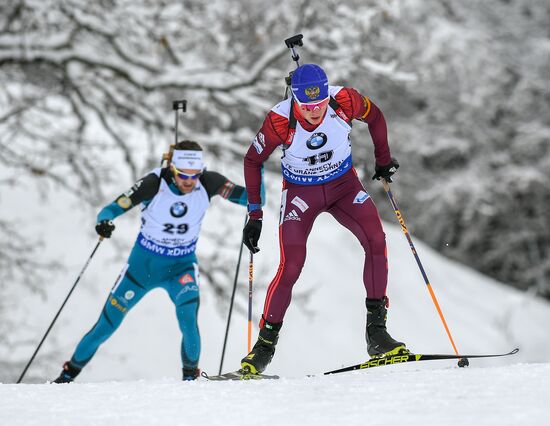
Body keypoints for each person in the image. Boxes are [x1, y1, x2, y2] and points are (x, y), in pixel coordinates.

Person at [240, 63, 406, 375]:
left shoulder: (344, 100)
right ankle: (263, 347)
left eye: (319, 104)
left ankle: (377, 333)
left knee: (376, 240)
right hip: (302, 193)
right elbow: (253, 159)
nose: (314, 112)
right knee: (291, 265)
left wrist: (383, 161)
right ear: (295, 100)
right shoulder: (280, 119)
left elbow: (376, 117)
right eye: (306, 106)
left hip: (344, 187)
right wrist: (255, 214)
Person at [53, 140, 252, 382]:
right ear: (172, 168)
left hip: (181, 268)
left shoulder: (209, 182)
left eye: (194, 175)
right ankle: (65, 377)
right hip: (141, 268)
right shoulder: (153, 184)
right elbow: (111, 208)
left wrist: (258, 171)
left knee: (188, 319)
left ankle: (190, 381)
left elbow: (250, 197)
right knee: (106, 326)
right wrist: (104, 222)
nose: (190, 181)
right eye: (183, 175)